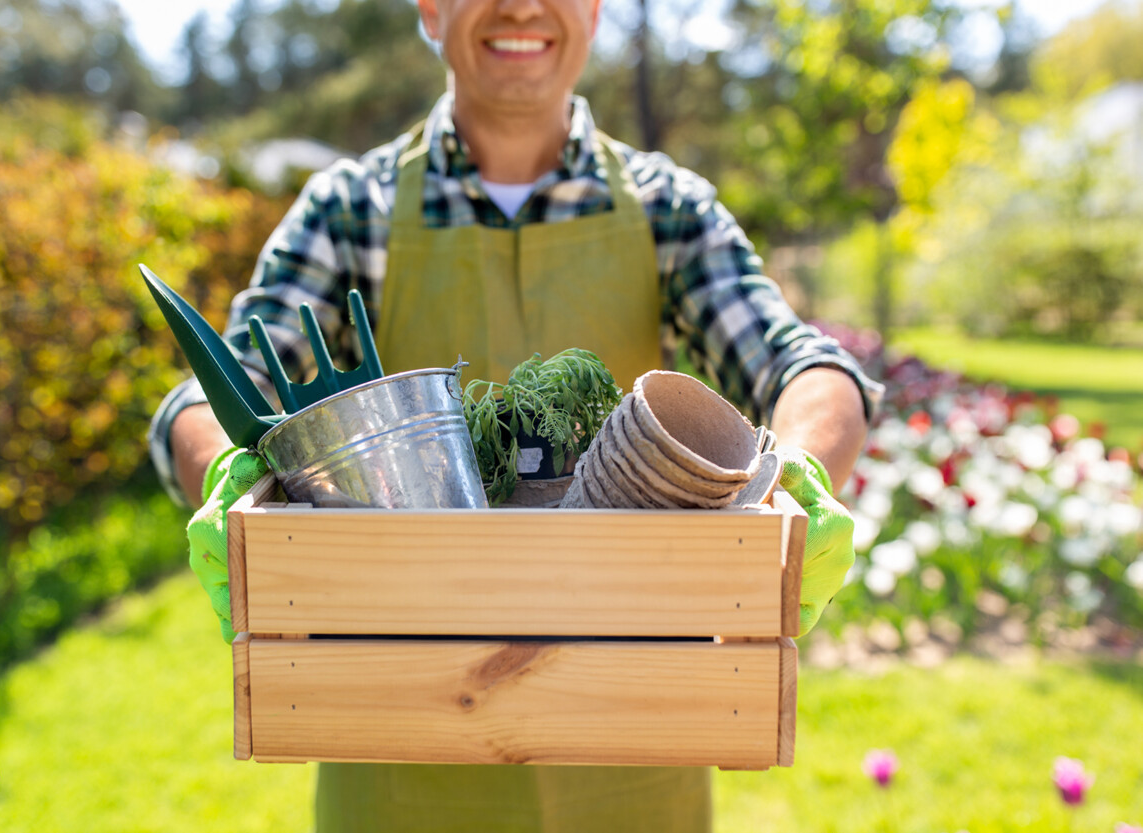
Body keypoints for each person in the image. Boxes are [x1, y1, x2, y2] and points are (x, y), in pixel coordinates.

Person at [148, 1, 883, 831]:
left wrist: (804, 469)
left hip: (633, 756)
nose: (524, 5)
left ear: (594, 11)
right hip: (397, 757)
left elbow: (804, 363)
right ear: (431, 9)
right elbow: (215, 391)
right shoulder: (352, 209)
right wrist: (226, 471)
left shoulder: (668, 208)